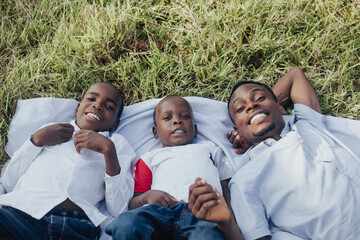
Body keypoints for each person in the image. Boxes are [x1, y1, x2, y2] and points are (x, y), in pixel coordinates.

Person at [189, 67, 360, 239]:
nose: (251, 105)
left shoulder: (307, 126)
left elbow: (294, 75)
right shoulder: (244, 181)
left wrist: (265, 110)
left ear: (281, 107)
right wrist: (261, 110)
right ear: (237, 129)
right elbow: (257, 236)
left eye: (260, 98)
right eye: (240, 109)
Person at [0, 82, 135, 239]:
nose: (97, 106)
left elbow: (119, 208)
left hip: (73, 225)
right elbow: (9, 183)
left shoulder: (116, 144)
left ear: (115, 124)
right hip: (22, 213)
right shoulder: (50, 130)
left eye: (109, 107)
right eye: (91, 99)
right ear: (77, 109)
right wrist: (35, 141)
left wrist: (108, 151)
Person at [105, 95, 238, 239]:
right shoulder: (148, 158)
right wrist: (147, 197)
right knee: (126, 223)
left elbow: (225, 186)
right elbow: (133, 202)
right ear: (156, 132)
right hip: (158, 213)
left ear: (195, 129)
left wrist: (229, 220)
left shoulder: (209, 148)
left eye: (185, 116)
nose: (177, 120)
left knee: (207, 236)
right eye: (167, 118)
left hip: (201, 214)